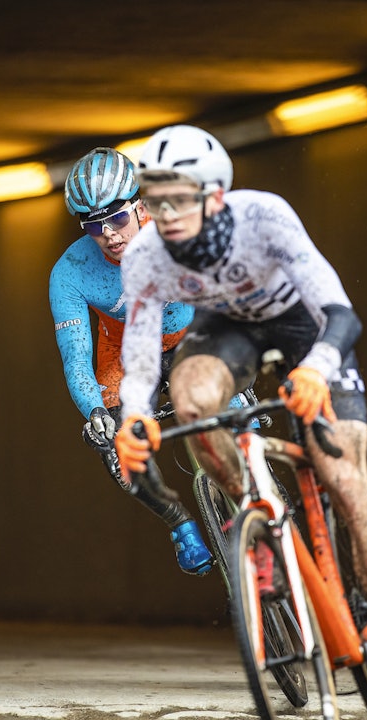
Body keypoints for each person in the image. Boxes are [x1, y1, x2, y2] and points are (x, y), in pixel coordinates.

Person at [113, 124, 367, 719]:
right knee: (188, 402)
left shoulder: (265, 217)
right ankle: (255, 529)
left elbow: (338, 311)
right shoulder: (145, 256)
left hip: (306, 327)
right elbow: (138, 358)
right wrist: (132, 420)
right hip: (226, 330)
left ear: (213, 195)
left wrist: (316, 370)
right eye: (154, 200)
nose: (165, 212)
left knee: (347, 482)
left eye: (178, 198)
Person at [49, 146, 213, 575]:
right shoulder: (70, 272)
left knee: (235, 416)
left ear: (141, 206)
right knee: (117, 448)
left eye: (117, 218)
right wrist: (96, 412)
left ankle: (259, 501)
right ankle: (178, 522)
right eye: (92, 225)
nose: (109, 234)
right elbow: (76, 355)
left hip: (189, 335)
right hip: (124, 354)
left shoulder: (178, 227)